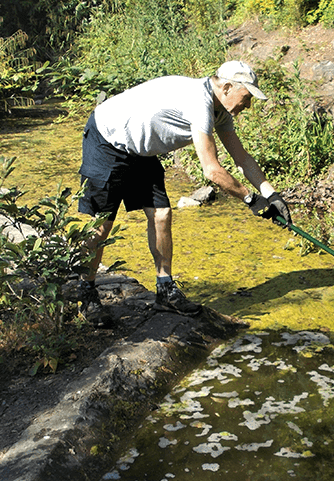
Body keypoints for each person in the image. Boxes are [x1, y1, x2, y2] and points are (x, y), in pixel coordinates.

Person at [77, 60, 292, 326]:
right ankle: (85, 292)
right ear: (226, 87)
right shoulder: (199, 103)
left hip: (142, 150)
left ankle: (165, 290)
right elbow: (211, 171)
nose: (247, 105)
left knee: (162, 214)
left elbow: (242, 157)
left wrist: (271, 195)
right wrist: (249, 198)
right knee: (102, 224)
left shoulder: (220, 111)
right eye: (246, 97)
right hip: (107, 138)